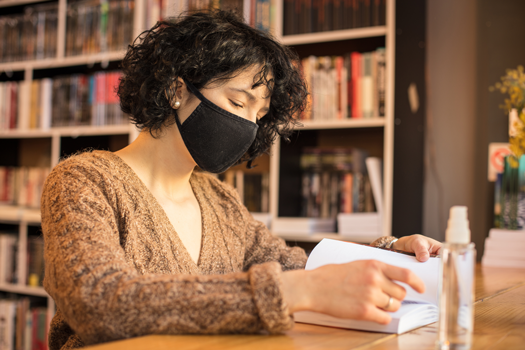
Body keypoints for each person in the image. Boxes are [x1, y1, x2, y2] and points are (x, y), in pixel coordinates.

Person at [41, 10, 442, 350]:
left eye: (259, 114)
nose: (248, 125)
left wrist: (387, 258)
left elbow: (294, 267)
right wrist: (288, 294)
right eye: (237, 102)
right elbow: (96, 302)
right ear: (176, 88)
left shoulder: (219, 199)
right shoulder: (83, 181)